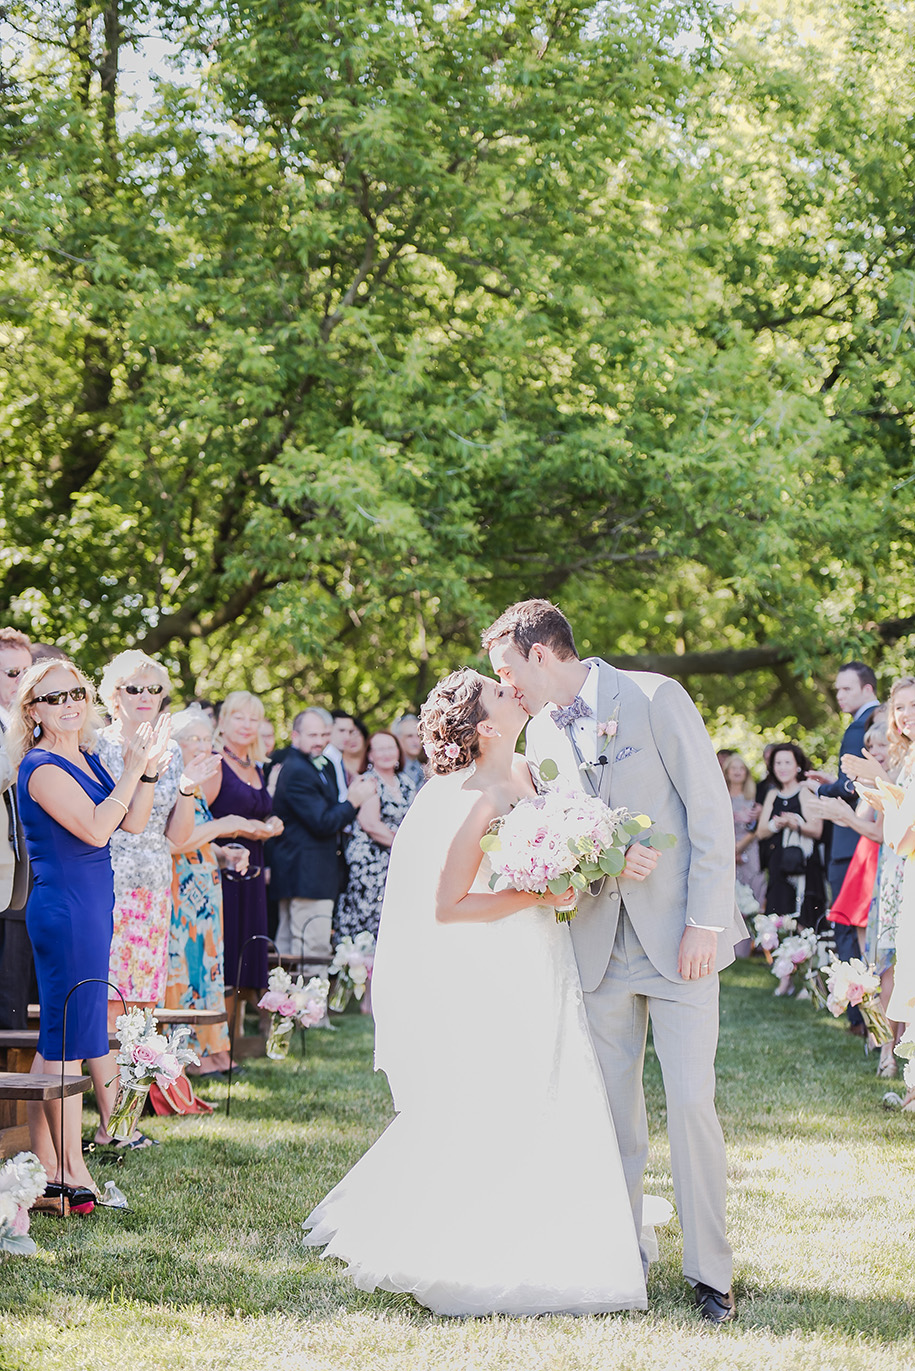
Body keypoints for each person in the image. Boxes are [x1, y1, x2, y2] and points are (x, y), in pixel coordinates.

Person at [304, 668, 663, 1315]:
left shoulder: (529, 773)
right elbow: (446, 903)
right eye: (499, 692)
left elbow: (560, 855)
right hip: (499, 958)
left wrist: (574, 871)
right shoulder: (466, 795)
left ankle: (563, 1215)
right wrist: (536, 892)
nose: (513, 688)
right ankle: (485, 1228)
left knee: (556, 1074)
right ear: (485, 722)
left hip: (544, 952)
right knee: (507, 1081)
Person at [484, 599, 743, 1324]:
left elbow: (707, 812)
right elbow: (560, 837)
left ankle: (710, 1274)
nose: (504, 686)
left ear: (541, 655)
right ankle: (615, 1256)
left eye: (507, 669)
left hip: (679, 942)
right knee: (611, 1118)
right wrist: (594, 866)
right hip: (595, 943)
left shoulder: (656, 696)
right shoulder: (536, 734)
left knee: (690, 1103)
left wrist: (705, 922)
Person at [10, 658, 169, 1209]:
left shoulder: (84, 755)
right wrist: (131, 769)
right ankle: (68, 1173)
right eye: (53, 699)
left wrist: (144, 771)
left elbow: (133, 820)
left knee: (65, 1038)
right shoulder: (43, 765)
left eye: (75, 692)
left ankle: (48, 1172)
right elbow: (99, 829)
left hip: (93, 906)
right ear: (32, 711)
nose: (70, 704)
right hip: (66, 911)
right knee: (67, 1042)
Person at [96, 650, 220, 1146]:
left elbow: (175, 835)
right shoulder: (100, 747)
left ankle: (127, 1117)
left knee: (140, 1007)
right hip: (110, 883)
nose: (145, 697)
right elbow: (120, 821)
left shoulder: (166, 749)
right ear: (112, 696)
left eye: (153, 689)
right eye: (134, 688)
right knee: (109, 1003)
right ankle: (112, 1124)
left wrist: (187, 787)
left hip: (154, 886)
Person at [165, 707, 274, 1077]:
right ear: (173, 744)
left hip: (205, 888)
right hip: (180, 891)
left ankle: (212, 1051)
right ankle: (186, 1055)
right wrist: (226, 825)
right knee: (186, 971)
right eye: (194, 739)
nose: (203, 746)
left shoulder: (192, 785)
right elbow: (173, 842)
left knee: (207, 971)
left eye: (206, 740)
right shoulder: (169, 781)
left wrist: (225, 853)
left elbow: (198, 837)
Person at [270, 710, 375, 974]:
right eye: (313, 735)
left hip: (313, 872)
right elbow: (322, 822)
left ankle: (289, 1011)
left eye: (324, 735)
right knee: (310, 948)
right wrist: (354, 800)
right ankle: (310, 1013)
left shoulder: (322, 763)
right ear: (295, 736)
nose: (320, 741)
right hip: (306, 873)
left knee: (295, 946)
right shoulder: (296, 770)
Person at [201, 692, 282, 996]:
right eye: (239, 716)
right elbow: (198, 819)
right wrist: (246, 832)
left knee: (248, 954)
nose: (247, 725)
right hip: (222, 866)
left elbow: (257, 811)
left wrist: (273, 824)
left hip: (254, 868)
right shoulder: (214, 762)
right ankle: (220, 1035)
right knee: (225, 953)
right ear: (222, 721)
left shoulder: (257, 766)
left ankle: (244, 1034)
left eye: (253, 718)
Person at [336, 732, 417, 1013]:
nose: (385, 753)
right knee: (370, 926)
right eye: (378, 749)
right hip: (371, 863)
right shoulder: (367, 783)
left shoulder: (407, 783)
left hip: (397, 861)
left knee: (391, 925)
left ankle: (385, 994)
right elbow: (371, 824)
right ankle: (361, 999)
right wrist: (408, 846)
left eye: (390, 748)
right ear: (369, 755)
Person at [756, 744, 826, 970]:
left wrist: (795, 823)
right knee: (778, 915)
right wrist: (777, 824)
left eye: (788, 762)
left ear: (797, 766)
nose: (783, 767)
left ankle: (808, 973)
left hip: (804, 865)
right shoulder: (772, 794)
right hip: (779, 866)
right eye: (778, 763)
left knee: (804, 919)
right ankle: (784, 972)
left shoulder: (805, 792)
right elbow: (761, 832)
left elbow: (817, 830)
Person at [0, 627, 34, 1031]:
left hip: (29, 877)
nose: (21, 683)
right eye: (12, 674)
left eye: (27, 674)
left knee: (15, 993)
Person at [723, 753, 765, 911]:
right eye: (734, 768)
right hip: (726, 847)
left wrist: (739, 847)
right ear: (727, 772)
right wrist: (732, 850)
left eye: (741, 768)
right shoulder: (721, 797)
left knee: (754, 883)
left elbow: (757, 827)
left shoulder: (754, 798)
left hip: (749, 846)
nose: (737, 772)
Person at [390, 714, 426, 791]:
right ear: (397, 739)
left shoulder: (425, 770)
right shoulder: (390, 769)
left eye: (418, 736)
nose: (416, 741)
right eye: (409, 736)